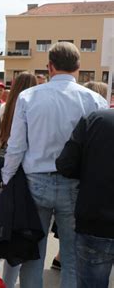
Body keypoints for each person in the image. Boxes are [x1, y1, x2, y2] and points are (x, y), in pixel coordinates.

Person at [1, 42, 107, 288]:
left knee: (33, 253)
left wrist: (7, 179)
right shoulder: (95, 100)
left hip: (35, 182)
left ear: (50, 67)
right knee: (71, 256)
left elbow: (16, 146)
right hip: (75, 184)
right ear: (78, 68)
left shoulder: (28, 97)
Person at [0, 72, 37, 288]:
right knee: (17, 232)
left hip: (1, 172)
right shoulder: (34, 109)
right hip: (25, 174)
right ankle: (7, 283)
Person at [56, 109, 114, 288]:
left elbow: (66, 164)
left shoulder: (96, 119)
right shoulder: (97, 118)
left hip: (96, 220)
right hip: (96, 221)